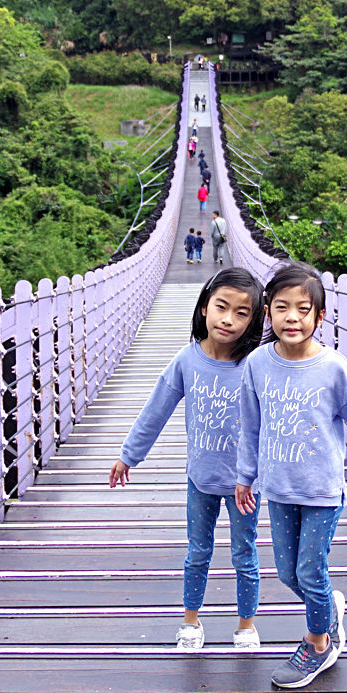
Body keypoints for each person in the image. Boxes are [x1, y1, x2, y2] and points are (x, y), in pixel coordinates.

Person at [235, 261, 347, 688]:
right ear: (267, 311)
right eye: (283, 307)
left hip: (323, 489)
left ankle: (318, 644)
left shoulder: (334, 367)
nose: (292, 317)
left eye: (303, 309)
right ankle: (329, 611)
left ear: (319, 317)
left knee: (309, 571)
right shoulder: (256, 364)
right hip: (280, 490)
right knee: (290, 574)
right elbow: (251, 426)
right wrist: (244, 476)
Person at [110, 269, 267, 650]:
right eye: (221, 307)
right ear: (203, 308)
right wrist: (129, 455)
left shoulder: (259, 364)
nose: (228, 319)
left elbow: (282, 417)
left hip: (246, 483)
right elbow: (156, 409)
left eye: (242, 313)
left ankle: (245, 626)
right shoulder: (187, 360)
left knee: (244, 554)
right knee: (197, 552)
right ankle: (191, 622)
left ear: (255, 321)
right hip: (201, 478)